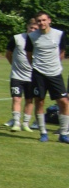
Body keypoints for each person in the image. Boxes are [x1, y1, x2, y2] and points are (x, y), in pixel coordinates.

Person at [24, 12, 69, 143]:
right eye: (39, 21)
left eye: (44, 20)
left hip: (55, 73)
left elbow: (62, 52)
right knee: (40, 101)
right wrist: (36, 66)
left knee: (64, 102)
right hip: (39, 73)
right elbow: (29, 53)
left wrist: (55, 64)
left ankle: (64, 133)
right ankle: (43, 132)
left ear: (49, 20)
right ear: (36, 22)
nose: (41, 23)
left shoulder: (59, 34)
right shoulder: (32, 36)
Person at [5, 18, 40, 133]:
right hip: (16, 76)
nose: (33, 30)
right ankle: (16, 123)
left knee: (30, 100)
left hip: (31, 76)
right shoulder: (17, 38)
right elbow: (8, 54)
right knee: (16, 98)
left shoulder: (39, 40)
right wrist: (14, 65)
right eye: (31, 28)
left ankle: (25, 123)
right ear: (27, 27)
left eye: (35, 29)